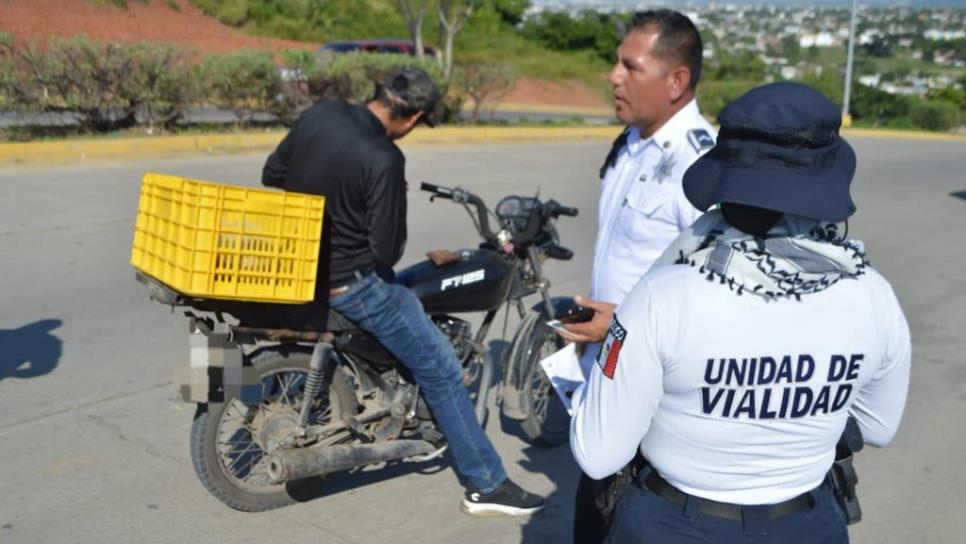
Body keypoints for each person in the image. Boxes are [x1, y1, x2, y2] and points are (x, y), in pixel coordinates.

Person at [570, 82, 912, 543]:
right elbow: (877, 425)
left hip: (675, 525)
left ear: (723, 182)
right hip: (808, 524)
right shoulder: (873, 294)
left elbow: (598, 453)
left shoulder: (665, 293)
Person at [261, 67, 544, 517]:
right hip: (350, 285)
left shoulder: (321, 113)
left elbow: (273, 173)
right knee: (443, 370)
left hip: (303, 270)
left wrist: (322, 221)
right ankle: (486, 485)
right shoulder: (384, 157)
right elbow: (387, 251)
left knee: (410, 305)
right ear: (413, 117)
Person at [553, 10, 715, 542]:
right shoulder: (630, 143)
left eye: (630, 65)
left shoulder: (703, 168)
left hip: (655, 394)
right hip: (606, 372)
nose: (613, 76)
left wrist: (620, 323)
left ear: (676, 81)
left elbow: (717, 294)